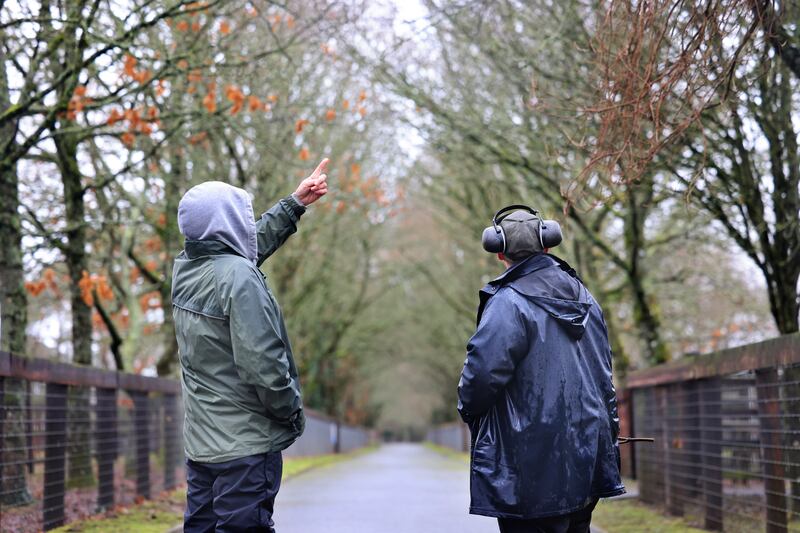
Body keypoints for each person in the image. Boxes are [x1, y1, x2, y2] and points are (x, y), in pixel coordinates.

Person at [172, 159, 329, 533]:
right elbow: (264, 365)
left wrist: (294, 203)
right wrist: (290, 411)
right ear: (227, 221)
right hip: (246, 447)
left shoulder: (187, 269)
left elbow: (241, 250)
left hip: (204, 445)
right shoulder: (239, 278)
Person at [458, 206, 625, 533]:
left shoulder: (507, 302)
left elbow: (479, 379)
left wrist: (470, 413)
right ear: (548, 244)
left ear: (498, 252)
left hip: (529, 464)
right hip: (587, 455)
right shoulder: (588, 300)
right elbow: (605, 377)